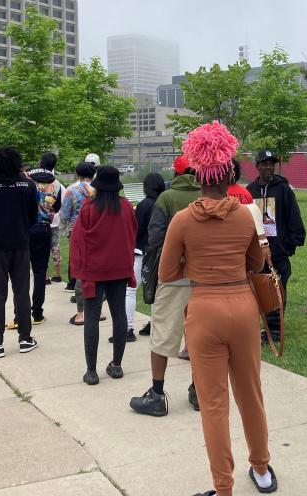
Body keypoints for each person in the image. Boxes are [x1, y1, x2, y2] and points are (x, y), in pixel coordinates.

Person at [160, 121, 277, 496]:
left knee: (213, 404)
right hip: (242, 306)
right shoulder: (245, 215)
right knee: (251, 394)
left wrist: (194, 268)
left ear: (197, 174)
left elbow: (166, 272)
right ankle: (260, 469)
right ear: (229, 174)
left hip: (203, 309)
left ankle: (223, 487)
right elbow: (257, 264)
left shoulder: (182, 220)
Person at [129, 155, 202, 417]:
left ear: (176, 171)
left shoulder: (166, 198)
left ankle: (157, 394)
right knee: (198, 336)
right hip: (203, 279)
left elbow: (155, 238)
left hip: (173, 278)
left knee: (161, 335)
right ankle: (197, 391)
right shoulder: (208, 194)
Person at [70, 165, 138, 384]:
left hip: (93, 271)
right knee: (119, 315)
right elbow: (132, 234)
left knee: (91, 317)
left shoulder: (89, 209)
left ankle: (91, 371)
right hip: (119, 269)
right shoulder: (126, 207)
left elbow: (78, 240)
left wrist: (78, 271)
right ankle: (116, 366)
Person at [0, 146, 39, 358]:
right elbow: (32, 217)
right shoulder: (28, 185)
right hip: (21, 245)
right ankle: (25, 338)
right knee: (22, 292)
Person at [245, 149, 305, 344]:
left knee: (277, 290)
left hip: (278, 250)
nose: (269, 167)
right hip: (257, 251)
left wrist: (291, 243)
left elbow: (293, 216)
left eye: (271, 163)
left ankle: (276, 331)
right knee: (261, 291)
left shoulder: (283, 189)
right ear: (257, 167)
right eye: (264, 163)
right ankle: (267, 327)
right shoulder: (251, 190)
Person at [117, 172, 165, 342]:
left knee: (130, 291)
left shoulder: (144, 205)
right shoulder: (164, 202)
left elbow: (134, 229)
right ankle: (154, 324)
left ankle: (127, 329)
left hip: (141, 253)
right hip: (160, 254)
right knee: (157, 291)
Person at [7, 168, 58, 328]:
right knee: (40, 273)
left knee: (20, 275)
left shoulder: (20, 189)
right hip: (43, 230)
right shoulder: (51, 190)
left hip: (24, 231)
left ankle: (18, 316)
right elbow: (52, 209)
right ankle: (37, 313)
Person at [61, 161, 96, 325]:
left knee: (81, 270)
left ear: (78, 174)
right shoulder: (98, 190)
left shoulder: (71, 190)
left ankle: (81, 312)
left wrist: (66, 230)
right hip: (97, 231)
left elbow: (64, 215)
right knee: (97, 269)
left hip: (77, 232)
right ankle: (99, 309)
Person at [38, 152, 66, 282]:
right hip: (54, 220)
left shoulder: (36, 181)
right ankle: (58, 274)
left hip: (40, 222)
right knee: (55, 246)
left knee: (43, 249)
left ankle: (45, 276)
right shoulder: (58, 184)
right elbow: (62, 202)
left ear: (41, 163)